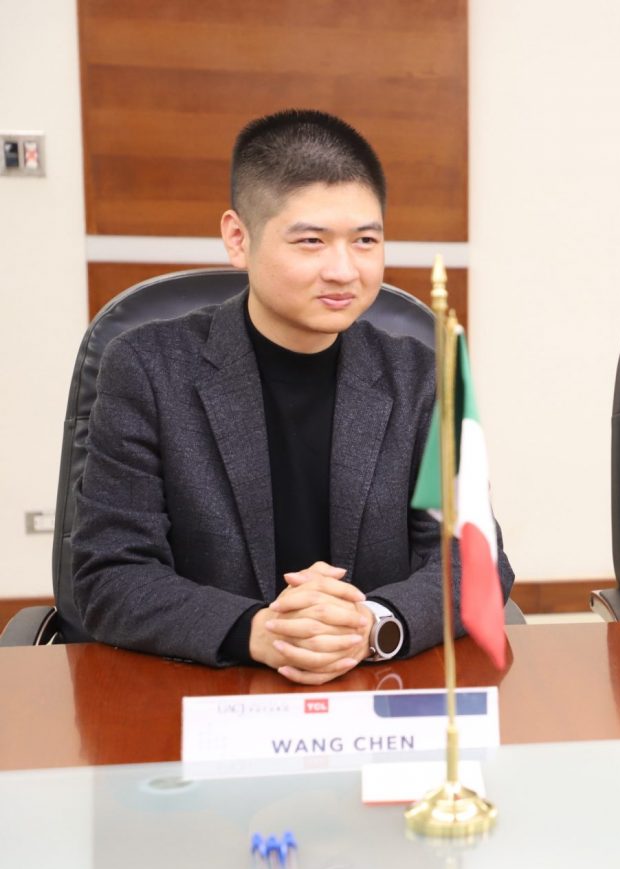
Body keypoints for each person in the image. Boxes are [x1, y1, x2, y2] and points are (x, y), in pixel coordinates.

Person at [72, 109, 514, 683]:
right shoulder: (148, 367)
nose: (344, 270)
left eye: (365, 241)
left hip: (374, 685)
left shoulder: (422, 375)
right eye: (311, 241)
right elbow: (111, 574)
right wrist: (259, 631)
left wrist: (374, 623)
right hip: (207, 689)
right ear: (238, 238)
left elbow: (474, 562)